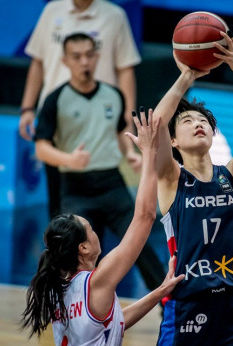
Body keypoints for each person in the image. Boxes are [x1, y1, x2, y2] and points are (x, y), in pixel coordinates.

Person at [21, 107, 184, 346]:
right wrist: (149, 155)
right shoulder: (96, 281)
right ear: (83, 248)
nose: (97, 233)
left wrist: (160, 292)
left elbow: (113, 322)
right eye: (91, 230)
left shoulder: (60, 286)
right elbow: (144, 218)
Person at [149, 30, 233, 346]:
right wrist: (186, 76)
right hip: (187, 303)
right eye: (187, 121)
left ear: (213, 135)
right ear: (173, 141)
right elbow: (154, 127)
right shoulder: (171, 179)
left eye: (203, 121)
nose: (197, 123)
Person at [33, 32, 166, 291]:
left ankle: (169, 304)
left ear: (96, 57)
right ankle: (71, 304)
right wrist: (69, 159)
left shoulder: (113, 95)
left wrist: (129, 152)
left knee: (139, 244)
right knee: (75, 253)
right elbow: (41, 148)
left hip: (111, 184)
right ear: (65, 60)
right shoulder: (55, 99)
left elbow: (118, 132)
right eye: (77, 56)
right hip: (75, 187)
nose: (84, 61)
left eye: (89, 55)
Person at [18, 0, 142, 218]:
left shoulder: (114, 16)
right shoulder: (52, 11)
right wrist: (27, 107)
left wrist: (127, 119)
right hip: (57, 117)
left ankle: (95, 246)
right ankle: (59, 248)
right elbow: (38, 62)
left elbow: (125, 69)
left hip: (99, 120)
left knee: (104, 195)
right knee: (59, 203)